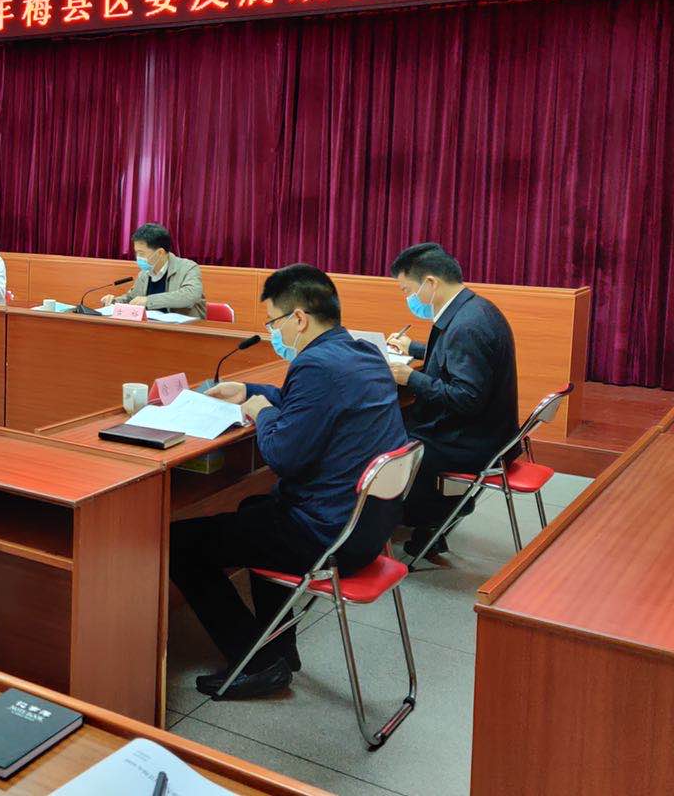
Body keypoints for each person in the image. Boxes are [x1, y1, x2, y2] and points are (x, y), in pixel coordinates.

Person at [171, 264, 407, 699]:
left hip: (327, 535)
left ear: (298, 318)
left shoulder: (314, 364)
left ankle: (257, 662)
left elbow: (282, 455)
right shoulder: (362, 352)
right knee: (255, 508)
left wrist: (262, 412)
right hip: (369, 528)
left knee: (178, 543)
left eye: (273, 322)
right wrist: (250, 391)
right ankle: (279, 647)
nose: (273, 332)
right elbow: (310, 403)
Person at [385, 242, 518, 559]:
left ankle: (425, 517)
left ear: (430, 283)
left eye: (408, 290)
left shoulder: (467, 326)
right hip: (488, 430)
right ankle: (432, 515)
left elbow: (466, 398)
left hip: (472, 441)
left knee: (381, 436)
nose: (409, 299)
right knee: (394, 421)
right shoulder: (473, 308)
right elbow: (454, 357)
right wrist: (413, 348)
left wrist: (409, 377)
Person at [102, 222, 206, 318]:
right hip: (151, 326)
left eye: (141, 253)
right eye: (136, 252)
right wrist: (114, 301)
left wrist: (149, 301)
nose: (138, 257)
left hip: (182, 328)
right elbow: (132, 298)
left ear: (160, 253)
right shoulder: (144, 273)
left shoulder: (188, 267)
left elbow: (190, 295)